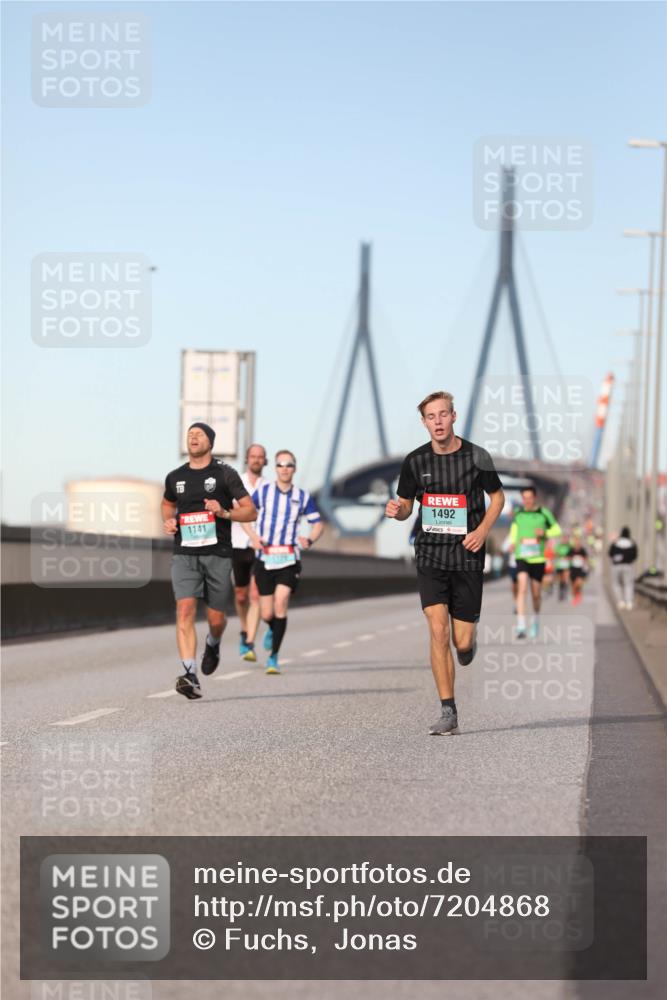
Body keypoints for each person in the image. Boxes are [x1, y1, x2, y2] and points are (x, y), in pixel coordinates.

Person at [385, 391, 504, 736]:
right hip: (431, 555)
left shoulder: (477, 457)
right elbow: (406, 506)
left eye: (442, 415)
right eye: (430, 416)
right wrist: (397, 511)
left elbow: (498, 497)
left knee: (461, 642)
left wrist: (482, 531)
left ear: (454, 416)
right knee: (438, 630)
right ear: (424, 422)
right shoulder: (415, 461)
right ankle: (448, 710)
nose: (437, 422)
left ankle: (468, 644)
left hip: (467, 556)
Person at [162, 422, 257, 699]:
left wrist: (224, 512)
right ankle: (189, 674)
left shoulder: (225, 474)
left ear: (211, 442)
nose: (193, 437)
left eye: (199, 434)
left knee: (216, 618)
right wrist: (168, 520)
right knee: (184, 610)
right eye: (190, 434)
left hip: (218, 554)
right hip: (185, 553)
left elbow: (250, 512)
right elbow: (167, 503)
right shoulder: (175, 477)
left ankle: (213, 642)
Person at [243, 450, 324, 674]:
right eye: (280, 465)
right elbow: (245, 514)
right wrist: (253, 537)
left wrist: (310, 539)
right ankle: (272, 627)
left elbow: (318, 524)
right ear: (275, 468)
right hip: (265, 558)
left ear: (294, 468)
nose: (285, 468)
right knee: (267, 613)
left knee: (281, 601)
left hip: (289, 558)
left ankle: (274, 657)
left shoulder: (302, 496)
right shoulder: (264, 492)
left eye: (289, 465)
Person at [231, 443, 270, 661]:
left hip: (261, 546)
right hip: (237, 543)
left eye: (260, 456)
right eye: (253, 456)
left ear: (265, 461)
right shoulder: (236, 483)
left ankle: (249, 642)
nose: (256, 459)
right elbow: (232, 510)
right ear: (247, 459)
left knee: (255, 594)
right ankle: (245, 629)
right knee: (240, 595)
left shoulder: (269, 486)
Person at [509, 486, 561, 639]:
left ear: (535, 498)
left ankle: (536, 620)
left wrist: (545, 532)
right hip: (522, 556)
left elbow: (557, 530)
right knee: (522, 588)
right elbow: (514, 529)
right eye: (524, 498)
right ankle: (521, 626)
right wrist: (513, 542)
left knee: (536, 594)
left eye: (530, 498)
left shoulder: (543, 513)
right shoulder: (518, 513)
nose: (527, 501)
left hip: (538, 558)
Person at [609, 527, 638, 610]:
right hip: (628, 566)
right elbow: (635, 555)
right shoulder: (632, 543)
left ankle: (620, 601)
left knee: (616, 583)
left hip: (616, 566)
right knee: (628, 584)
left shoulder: (616, 542)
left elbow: (610, 553)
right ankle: (629, 602)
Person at [569, 534, 589, 605]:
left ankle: (578, 594)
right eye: (576, 541)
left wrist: (583, 561)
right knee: (573, 586)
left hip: (580, 569)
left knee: (578, 582)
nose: (577, 542)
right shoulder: (571, 549)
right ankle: (575, 597)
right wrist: (572, 559)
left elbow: (586, 558)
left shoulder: (582, 550)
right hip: (573, 569)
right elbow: (568, 557)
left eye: (578, 541)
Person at [554, 534, 573, 601]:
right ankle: (561, 592)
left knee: (566, 579)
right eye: (563, 538)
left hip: (567, 565)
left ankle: (565, 592)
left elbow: (572, 555)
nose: (564, 540)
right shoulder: (559, 546)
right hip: (559, 565)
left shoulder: (570, 547)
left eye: (566, 538)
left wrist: (567, 557)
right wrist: (560, 556)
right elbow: (556, 553)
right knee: (561, 580)